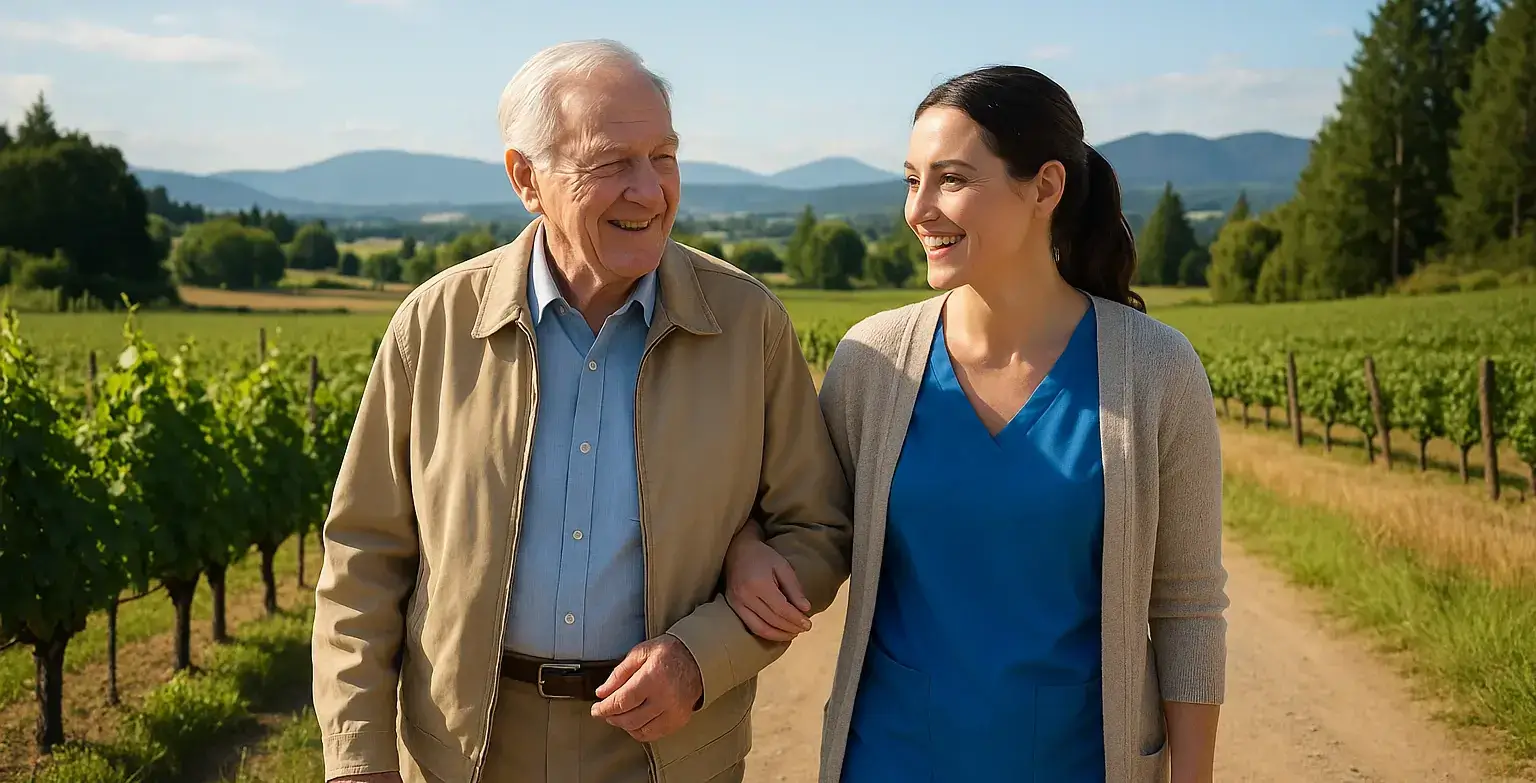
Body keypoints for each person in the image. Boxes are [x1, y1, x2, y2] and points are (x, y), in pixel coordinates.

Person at [310, 40, 853, 783]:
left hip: (671, 751)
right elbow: (364, 559)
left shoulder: (748, 323)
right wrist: (357, 759)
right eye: (611, 163)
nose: (649, 190)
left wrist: (702, 656)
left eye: (663, 156)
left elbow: (816, 530)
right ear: (526, 177)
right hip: (466, 753)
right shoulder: (433, 324)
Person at [724, 65, 1228, 783]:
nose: (919, 209)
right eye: (910, 180)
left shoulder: (1154, 369)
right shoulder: (875, 362)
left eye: (951, 179)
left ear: (1046, 188)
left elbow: (1188, 605)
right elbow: (799, 521)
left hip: (1079, 763)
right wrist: (746, 546)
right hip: (892, 759)